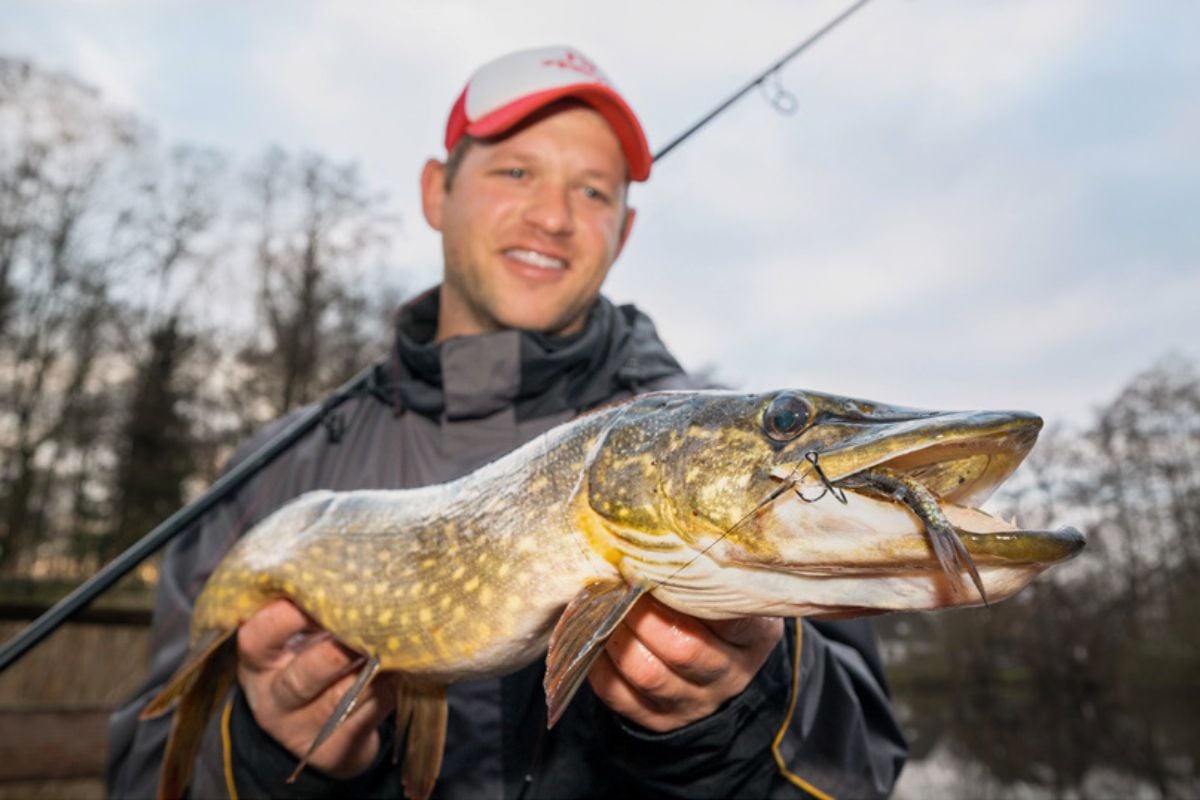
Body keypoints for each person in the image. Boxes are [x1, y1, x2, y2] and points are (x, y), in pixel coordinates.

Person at [107, 45, 907, 799]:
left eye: (593, 190)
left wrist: (740, 716)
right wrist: (261, 753)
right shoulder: (273, 469)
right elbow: (145, 771)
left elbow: (861, 770)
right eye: (516, 170)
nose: (553, 216)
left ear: (623, 231)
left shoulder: (723, 456)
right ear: (435, 191)